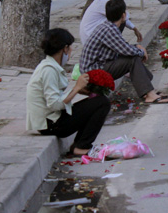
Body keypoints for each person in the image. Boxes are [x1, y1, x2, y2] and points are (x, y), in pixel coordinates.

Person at [27, 28, 110, 156]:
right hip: (51, 124)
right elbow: (54, 104)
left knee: (97, 101)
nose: (70, 51)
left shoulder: (50, 66)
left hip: (54, 118)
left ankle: (79, 144)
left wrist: (83, 91)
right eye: (70, 48)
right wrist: (76, 88)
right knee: (103, 103)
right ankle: (82, 146)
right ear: (65, 49)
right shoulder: (48, 70)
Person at [80, 0, 168, 104]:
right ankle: (150, 94)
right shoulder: (109, 30)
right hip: (92, 72)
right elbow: (127, 51)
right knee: (132, 59)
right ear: (123, 15)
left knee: (133, 56)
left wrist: (138, 47)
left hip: (98, 66)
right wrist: (142, 52)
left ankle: (149, 90)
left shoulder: (108, 26)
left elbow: (122, 47)